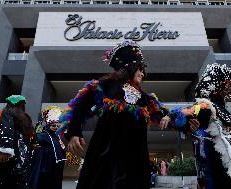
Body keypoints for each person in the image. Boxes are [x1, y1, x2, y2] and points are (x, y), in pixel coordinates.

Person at [58, 40, 174, 189]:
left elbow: (165, 115)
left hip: (135, 158)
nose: (142, 73)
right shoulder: (105, 85)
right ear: (128, 68)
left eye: (143, 70)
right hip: (107, 153)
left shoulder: (146, 97)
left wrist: (169, 116)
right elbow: (80, 106)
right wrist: (74, 132)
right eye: (139, 68)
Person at [168, 63, 231, 189]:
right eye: (227, 85)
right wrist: (173, 116)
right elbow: (186, 115)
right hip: (214, 164)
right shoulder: (207, 106)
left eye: (230, 86)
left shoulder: (218, 108)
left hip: (223, 165)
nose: (228, 89)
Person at [0, 95, 35, 189]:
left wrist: (4, 150)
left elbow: (30, 136)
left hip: (14, 159)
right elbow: (4, 129)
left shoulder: (19, 117)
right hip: (10, 158)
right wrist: (3, 149)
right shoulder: (12, 116)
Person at [29, 106, 66, 189]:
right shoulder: (43, 135)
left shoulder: (58, 137)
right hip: (45, 169)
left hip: (56, 169)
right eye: (53, 125)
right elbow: (33, 139)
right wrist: (31, 144)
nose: (56, 127)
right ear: (48, 125)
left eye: (58, 125)